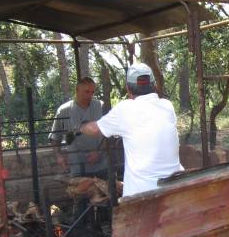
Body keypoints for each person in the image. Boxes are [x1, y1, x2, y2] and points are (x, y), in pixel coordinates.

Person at [79, 63, 184, 198]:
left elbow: (94, 129)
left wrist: (80, 126)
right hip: (175, 189)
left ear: (128, 89)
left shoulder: (125, 109)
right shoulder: (167, 106)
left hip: (143, 196)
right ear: (154, 85)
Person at [49, 77, 107, 177]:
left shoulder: (101, 106)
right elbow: (55, 137)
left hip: (101, 166)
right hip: (76, 166)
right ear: (77, 90)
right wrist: (59, 156)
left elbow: (110, 133)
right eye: (86, 92)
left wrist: (99, 152)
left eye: (92, 92)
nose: (90, 95)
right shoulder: (63, 111)